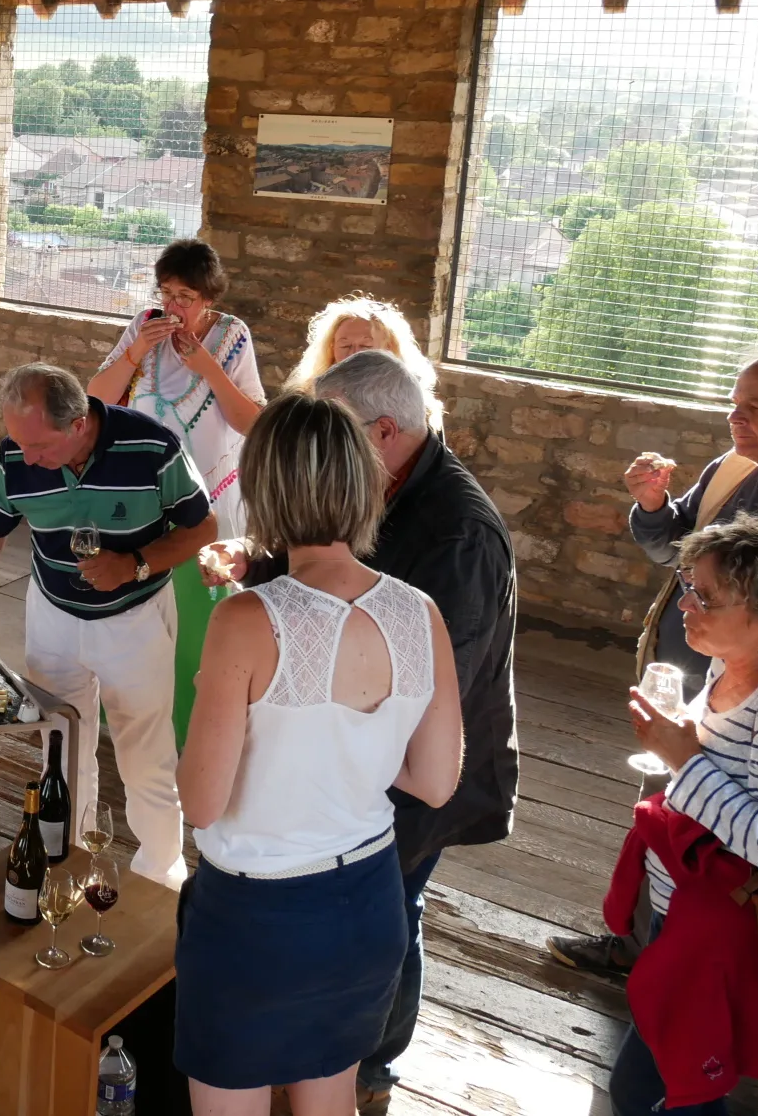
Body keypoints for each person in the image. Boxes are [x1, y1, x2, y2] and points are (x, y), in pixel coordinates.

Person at [202, 349, 519, 1112]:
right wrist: (253, 564)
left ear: (381, 433)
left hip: (386, 794)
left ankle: (378, 1065)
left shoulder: (459, 534)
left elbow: (433, 696)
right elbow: (320, 579)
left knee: (397, 919)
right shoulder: (375, 507)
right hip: (358, 793)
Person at [552, 346, 758, 980]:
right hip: (691, 689)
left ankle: (745, 976)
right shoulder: (733, 468)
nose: (736, 420)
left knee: (739, 845)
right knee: (662, 816)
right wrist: (652, 506)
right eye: (733, 405)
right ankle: (642, 946)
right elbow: (674, 551)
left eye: (755, 408)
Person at [0, 363, 218, 889]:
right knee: (61, 746)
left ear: (78, 424)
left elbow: (203, 527)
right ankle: (66, 860)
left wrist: (136, 564)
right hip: (53, 615)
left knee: (146, 755)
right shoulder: (14, 456)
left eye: (40, 448)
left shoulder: (152, 446)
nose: (27, 459)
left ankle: (160, 881)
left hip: (135, 617)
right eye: (19, 444)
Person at [610, 513, 758, 1114]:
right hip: (688, 916)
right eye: (686, 584)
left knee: (664, 1089)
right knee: (661, 1080)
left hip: (727, 938)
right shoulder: (733, 664)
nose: (684, 605)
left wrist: (684, 760)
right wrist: (680, 750)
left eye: (705, 596)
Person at [88, 237, 264, 742]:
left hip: (207, 497)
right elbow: (95, 399)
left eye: (186, 297)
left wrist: (207, 368)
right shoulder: (144, 326)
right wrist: (138, 349)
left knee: (199, 615)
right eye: (167, 293)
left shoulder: (232, 336)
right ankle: (125, 717)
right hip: (142, 495)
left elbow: (251, 420)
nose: (174, 307)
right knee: (134, 608)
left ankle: (194, 724)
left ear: (209, 298)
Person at [286, 293, 444, 430]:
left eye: (365, 346)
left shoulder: (414, 404)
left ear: (389, 349)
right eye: (345, 345)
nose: (353, 354)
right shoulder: (307, 399)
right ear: (331, 349)